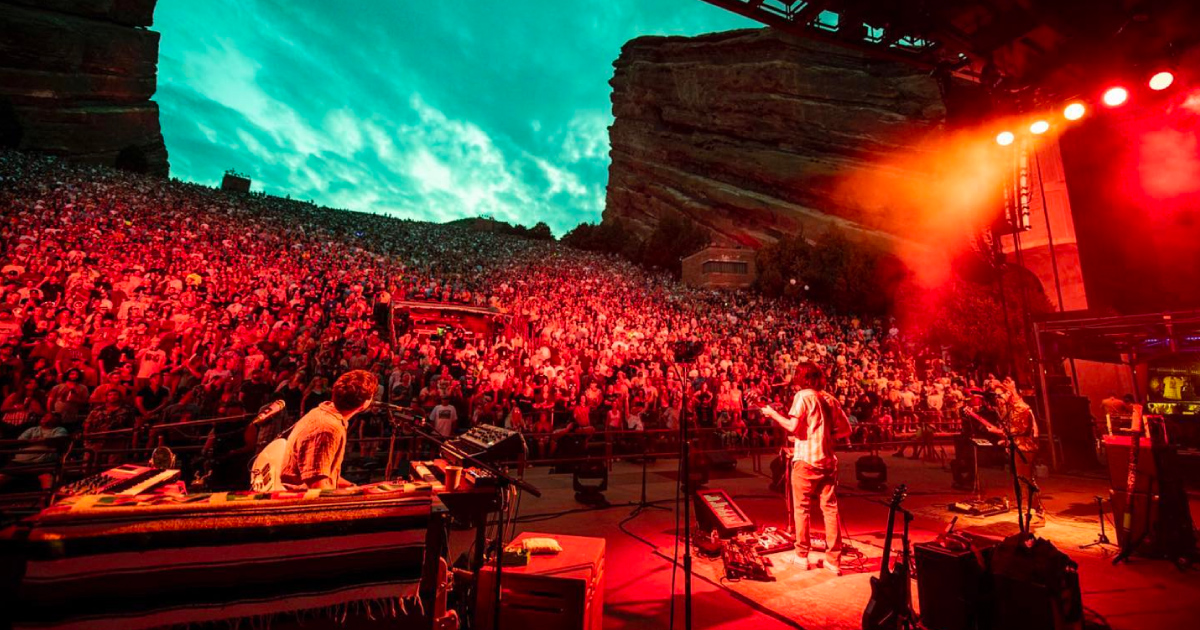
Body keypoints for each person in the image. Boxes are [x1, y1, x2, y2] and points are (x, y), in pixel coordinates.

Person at [759, 363, 852, 575]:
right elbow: (847, 429)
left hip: (806, 461)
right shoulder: (830, 399)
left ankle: (802, 556)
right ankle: (834, 561)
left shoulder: (803, 396)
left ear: (802, 377)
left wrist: (772, 414)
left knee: (802, 509)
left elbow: (792, 427)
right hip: (827, 461)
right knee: (830, 509)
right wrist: (825, 437)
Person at [279, 369, 378, 490]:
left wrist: (354, 488)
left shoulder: (324, 412)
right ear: (365, 402)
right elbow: (317, 486)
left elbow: (325, 475)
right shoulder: (327, 429)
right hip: (302, 503)